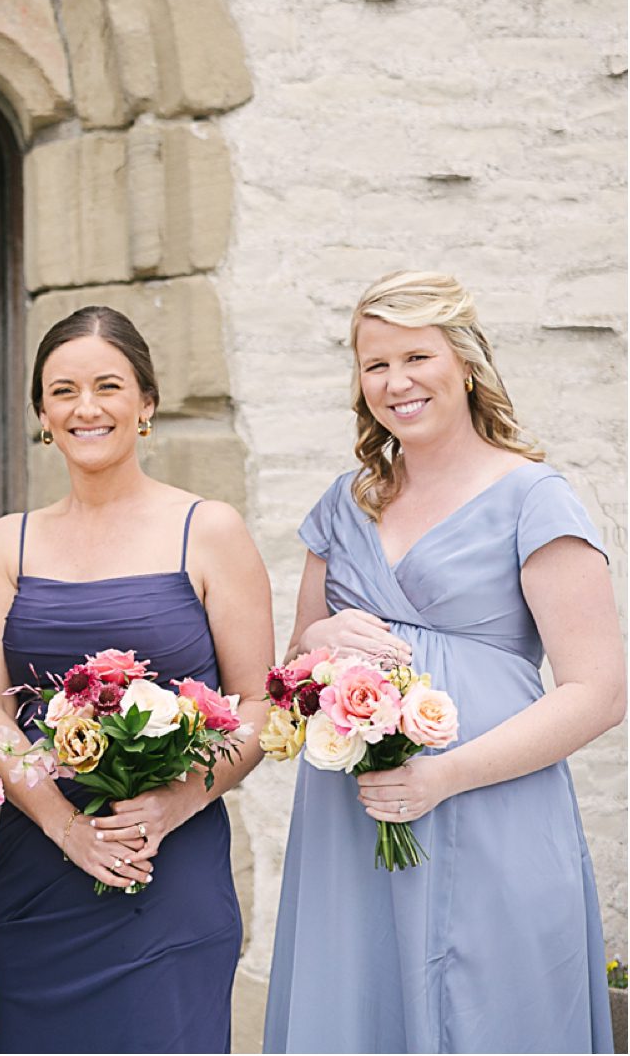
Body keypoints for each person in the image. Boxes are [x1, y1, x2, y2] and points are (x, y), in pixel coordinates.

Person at [263, 271, 623, 1053]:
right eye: (375, 364)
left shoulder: (534, 497)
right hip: (354, 822)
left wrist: (441, 775)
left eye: (416, 357)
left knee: (492, 1011)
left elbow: (600, 691)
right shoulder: (344, 504)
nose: (396, 382)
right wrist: (321, 640)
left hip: (491, 808)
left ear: (465, 363)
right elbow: (289, 671)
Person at [0, 306, 273, 1053]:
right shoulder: (10, 542)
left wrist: (171, 805)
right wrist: (64, 825)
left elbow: (259, 703)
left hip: (169, 863)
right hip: (42, 867)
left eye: (108, 385)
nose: (86, 407)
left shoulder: (209, 530)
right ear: (42, 414)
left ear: (146, 403)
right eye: (63, 390)